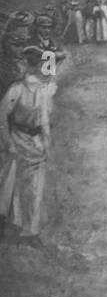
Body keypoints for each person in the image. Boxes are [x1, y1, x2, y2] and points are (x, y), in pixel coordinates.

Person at [0, 46, 56, 248]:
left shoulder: (43, 90)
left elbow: (45, 121)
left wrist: (47, 145)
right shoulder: (17, 89)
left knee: (35, 189)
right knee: (11, 186)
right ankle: (11, 224)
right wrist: (9, 142)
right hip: (18, 140)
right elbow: (2, 117)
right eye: (37, 65)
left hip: (36, 143)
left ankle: (31, 231)